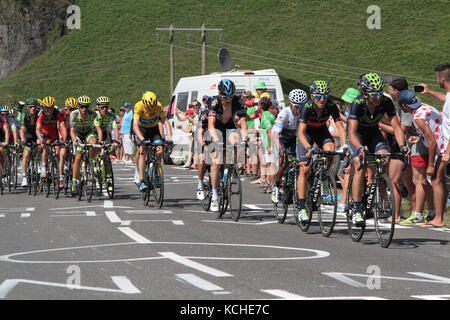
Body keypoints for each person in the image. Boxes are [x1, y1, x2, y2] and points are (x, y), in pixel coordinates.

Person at [348, 73, 408, 227]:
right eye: (374, 94)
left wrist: (402, 146)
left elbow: (396, 127)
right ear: (365, 93)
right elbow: (352, 132)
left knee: (385, 157)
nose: (378, 97)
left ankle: (378, 192)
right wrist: (360, 147)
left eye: (380, 92)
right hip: (358, 135)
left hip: (374, 134)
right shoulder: (358, 103)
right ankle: (356, 208)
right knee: (359, 165)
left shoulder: (386, 102)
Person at [295, 81, 347, 222]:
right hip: (306, 133)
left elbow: (340, 127)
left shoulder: (330, 105)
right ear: (312, 96)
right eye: (318, 96)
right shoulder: (306, 106)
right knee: (304, 168)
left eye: (325, 96)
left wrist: (346, 145)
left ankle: (324, 175)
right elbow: (301, 132)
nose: (322, 99)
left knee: (331, 151)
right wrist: (308, 147)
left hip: (321, 131)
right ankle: (301, 208)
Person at [386, 76, 433, 225]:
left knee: (415, 180)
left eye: (390, 89)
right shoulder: (408, 103)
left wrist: (380, 125)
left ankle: (416, 213)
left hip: (415, 147)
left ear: (397, 91)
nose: (388, 92)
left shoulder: (406, 105)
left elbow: (402, 129)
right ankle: (421, 211)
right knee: (412, 181)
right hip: (415, 144)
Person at [398, 90, 447, 228]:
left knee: (436, 180)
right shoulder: (426, 107)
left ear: (404, 106)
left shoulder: (418, 117)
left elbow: (432, 142)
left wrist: (430, 165)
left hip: (442, 148)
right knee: (439, 181)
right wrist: (420, 138)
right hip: (442, 145)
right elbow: (434, 128)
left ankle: (438, 218)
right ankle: (438, 216)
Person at [207, 79, 247, 212]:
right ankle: (214, 195)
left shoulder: (237, 101)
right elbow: (211, 125)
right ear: (219, 94)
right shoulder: (214, 102)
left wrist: (245, 139)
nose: (228, 100)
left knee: (237, 142)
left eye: (230, 97)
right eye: (225, 97)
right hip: (216, 129)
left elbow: (243, 122)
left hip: (229, 126)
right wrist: (216, 140)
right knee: (217, 162)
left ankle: (231, 170)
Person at [271, 89, 307, 203]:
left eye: (301, 106)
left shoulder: (305, 113)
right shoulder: (284, 113)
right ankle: (275, 186)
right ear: (290, 104)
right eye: (296, 106)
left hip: (295, 138)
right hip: (282, 137)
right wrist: (281, 148)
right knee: (283, 160)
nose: (299, 109)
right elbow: (275, 133)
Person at [133, 91, 172, 192]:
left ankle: (157, 173)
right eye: (148, 108)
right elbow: (135, 126)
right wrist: (142, 139)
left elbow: (165, 121)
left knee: (159, 149)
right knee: (142, 151)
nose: (150, 110)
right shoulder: (139, 106)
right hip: (141, 130)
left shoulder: (158, 106)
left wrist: (170, 138)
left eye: (152, 107)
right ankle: (141, 180)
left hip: (153, 130)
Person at [70, 96, 102, 195]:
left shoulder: (93, 114)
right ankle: (74, 181)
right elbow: (72, 130)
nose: (84, 109)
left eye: (86, 107)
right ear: (78, 106)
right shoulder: (74, 114)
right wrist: (75, 140)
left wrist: (100, 141)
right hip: (78, 134)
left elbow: (98, 128)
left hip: (88, 133)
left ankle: (92, 161)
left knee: (94, 142)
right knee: (78, 157)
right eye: (82, 106)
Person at [36, 96, 67, 181]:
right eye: (46, 108)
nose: (48, 111)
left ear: (53, 107)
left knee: (57, 151)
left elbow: (62, 126)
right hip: (44, 133)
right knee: (45, 146)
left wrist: (64, 138)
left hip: (54, 134)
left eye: (50, 108)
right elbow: (38, 129)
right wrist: (41, 139)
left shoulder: (57, 113)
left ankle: (56, 170)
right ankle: (43, 167)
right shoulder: (41, 114)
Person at [19, 98, 39, 187]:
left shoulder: (39, 115)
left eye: (35, 107)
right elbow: (22, 129)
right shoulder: (24, 115)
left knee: (41, 148)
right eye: (31, 107)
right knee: (26, 154)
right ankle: (24, 177)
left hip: (37, 134)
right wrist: (23, 140)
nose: (33, 109)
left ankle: (40, 167)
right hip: (28, 135)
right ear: (27, 108)